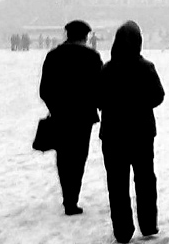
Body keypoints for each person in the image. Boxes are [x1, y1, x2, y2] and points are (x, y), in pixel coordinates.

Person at [98, 21, 164, 243]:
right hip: (141, 132)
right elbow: (158, 95)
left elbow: (97, 98)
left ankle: (122, 230)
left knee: (116, 183)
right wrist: (138, 104)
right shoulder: (146, 67)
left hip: (113, 133)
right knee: (145, 179)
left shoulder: (106, 69)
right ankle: (148, 224)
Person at [39, 20, 103, 216]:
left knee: (64, 156)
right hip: (83, 116)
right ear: (85, 36)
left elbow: (44, 90)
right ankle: (72, 198)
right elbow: (100, 88)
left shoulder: (54, 56)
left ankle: (67, 196)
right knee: (78, 156)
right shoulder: (92, 57)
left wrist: (55, 107)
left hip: (61, 115)